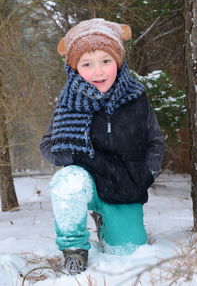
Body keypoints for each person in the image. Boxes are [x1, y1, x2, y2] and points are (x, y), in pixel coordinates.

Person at [40, 18, 165, 275]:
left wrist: (146, 175)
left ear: (118, 61)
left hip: (124, 184)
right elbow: (48, 144)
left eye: (106, 61)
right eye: (87, 64)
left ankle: (106, 220)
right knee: (67, 181)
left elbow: (155, 141)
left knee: (128, 253)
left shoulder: (136, 98)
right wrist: (69, 153)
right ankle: (74, 250)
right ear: (75, 68)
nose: (98, 72)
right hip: (87, 180)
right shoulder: (68, 102)